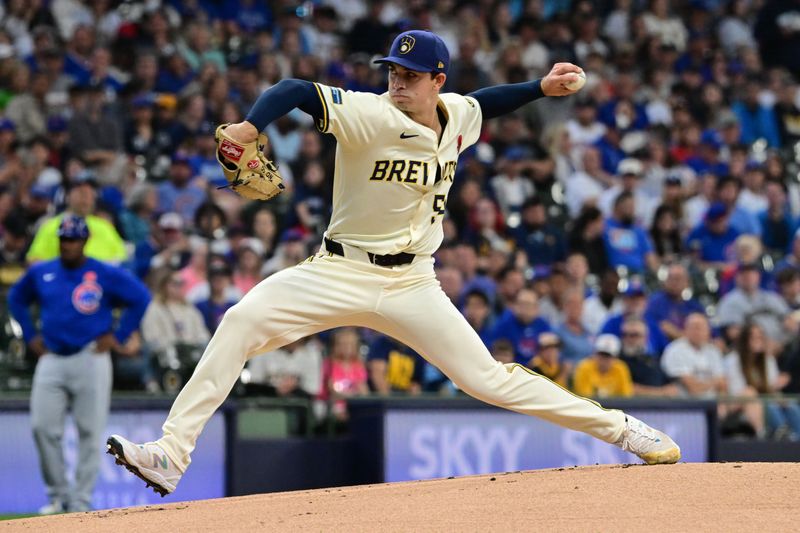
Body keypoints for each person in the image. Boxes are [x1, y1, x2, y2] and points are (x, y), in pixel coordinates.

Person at [107, 30, 680, 497]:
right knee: (239, 322)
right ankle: (170, 454)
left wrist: (540, 88)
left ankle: (626, 430)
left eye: (409, 75)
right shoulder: (368, 114)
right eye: (392, 72)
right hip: (338, 269)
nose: (397, 82)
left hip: (413, 281)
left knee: (488, 380)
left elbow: (488, 102)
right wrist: (249, 128)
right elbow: (293, 88)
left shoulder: (455, 115)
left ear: (437, 81)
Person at [8, 215, 150, 513]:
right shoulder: (43, 272)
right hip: (52, 357)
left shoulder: (103, 273)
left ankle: (80, 501)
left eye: (72, 239)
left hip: (91, 356)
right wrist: (30, 334)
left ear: (85, 241)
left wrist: (118, 335)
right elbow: (16, 298)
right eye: (63, 239)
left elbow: (140, 297)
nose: (67, 244)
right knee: (42, 428)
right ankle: (58, 496)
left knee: (89, 431)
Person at [572, 334, 634, 398]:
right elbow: (585, 397)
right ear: (595, 353)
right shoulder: (584, 367)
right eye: (601, 354)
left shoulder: (620, 368)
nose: (604, 359)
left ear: (615, 357)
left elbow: (626, 396)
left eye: (608, 356)